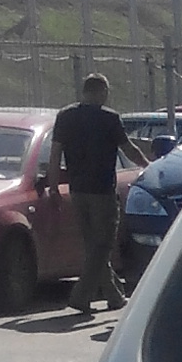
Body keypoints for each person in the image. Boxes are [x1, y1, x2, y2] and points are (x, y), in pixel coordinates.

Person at [47, 72, 131, 315]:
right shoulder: (109, 118)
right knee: (102, 245)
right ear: (101, 92)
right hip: (102, 191)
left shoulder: (65, 116)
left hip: (77, 190)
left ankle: (114, 296)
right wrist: (149, 165)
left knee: (93, 245)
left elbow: (55, 153)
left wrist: (54, 185)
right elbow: (128, 148)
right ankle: (80, 296)